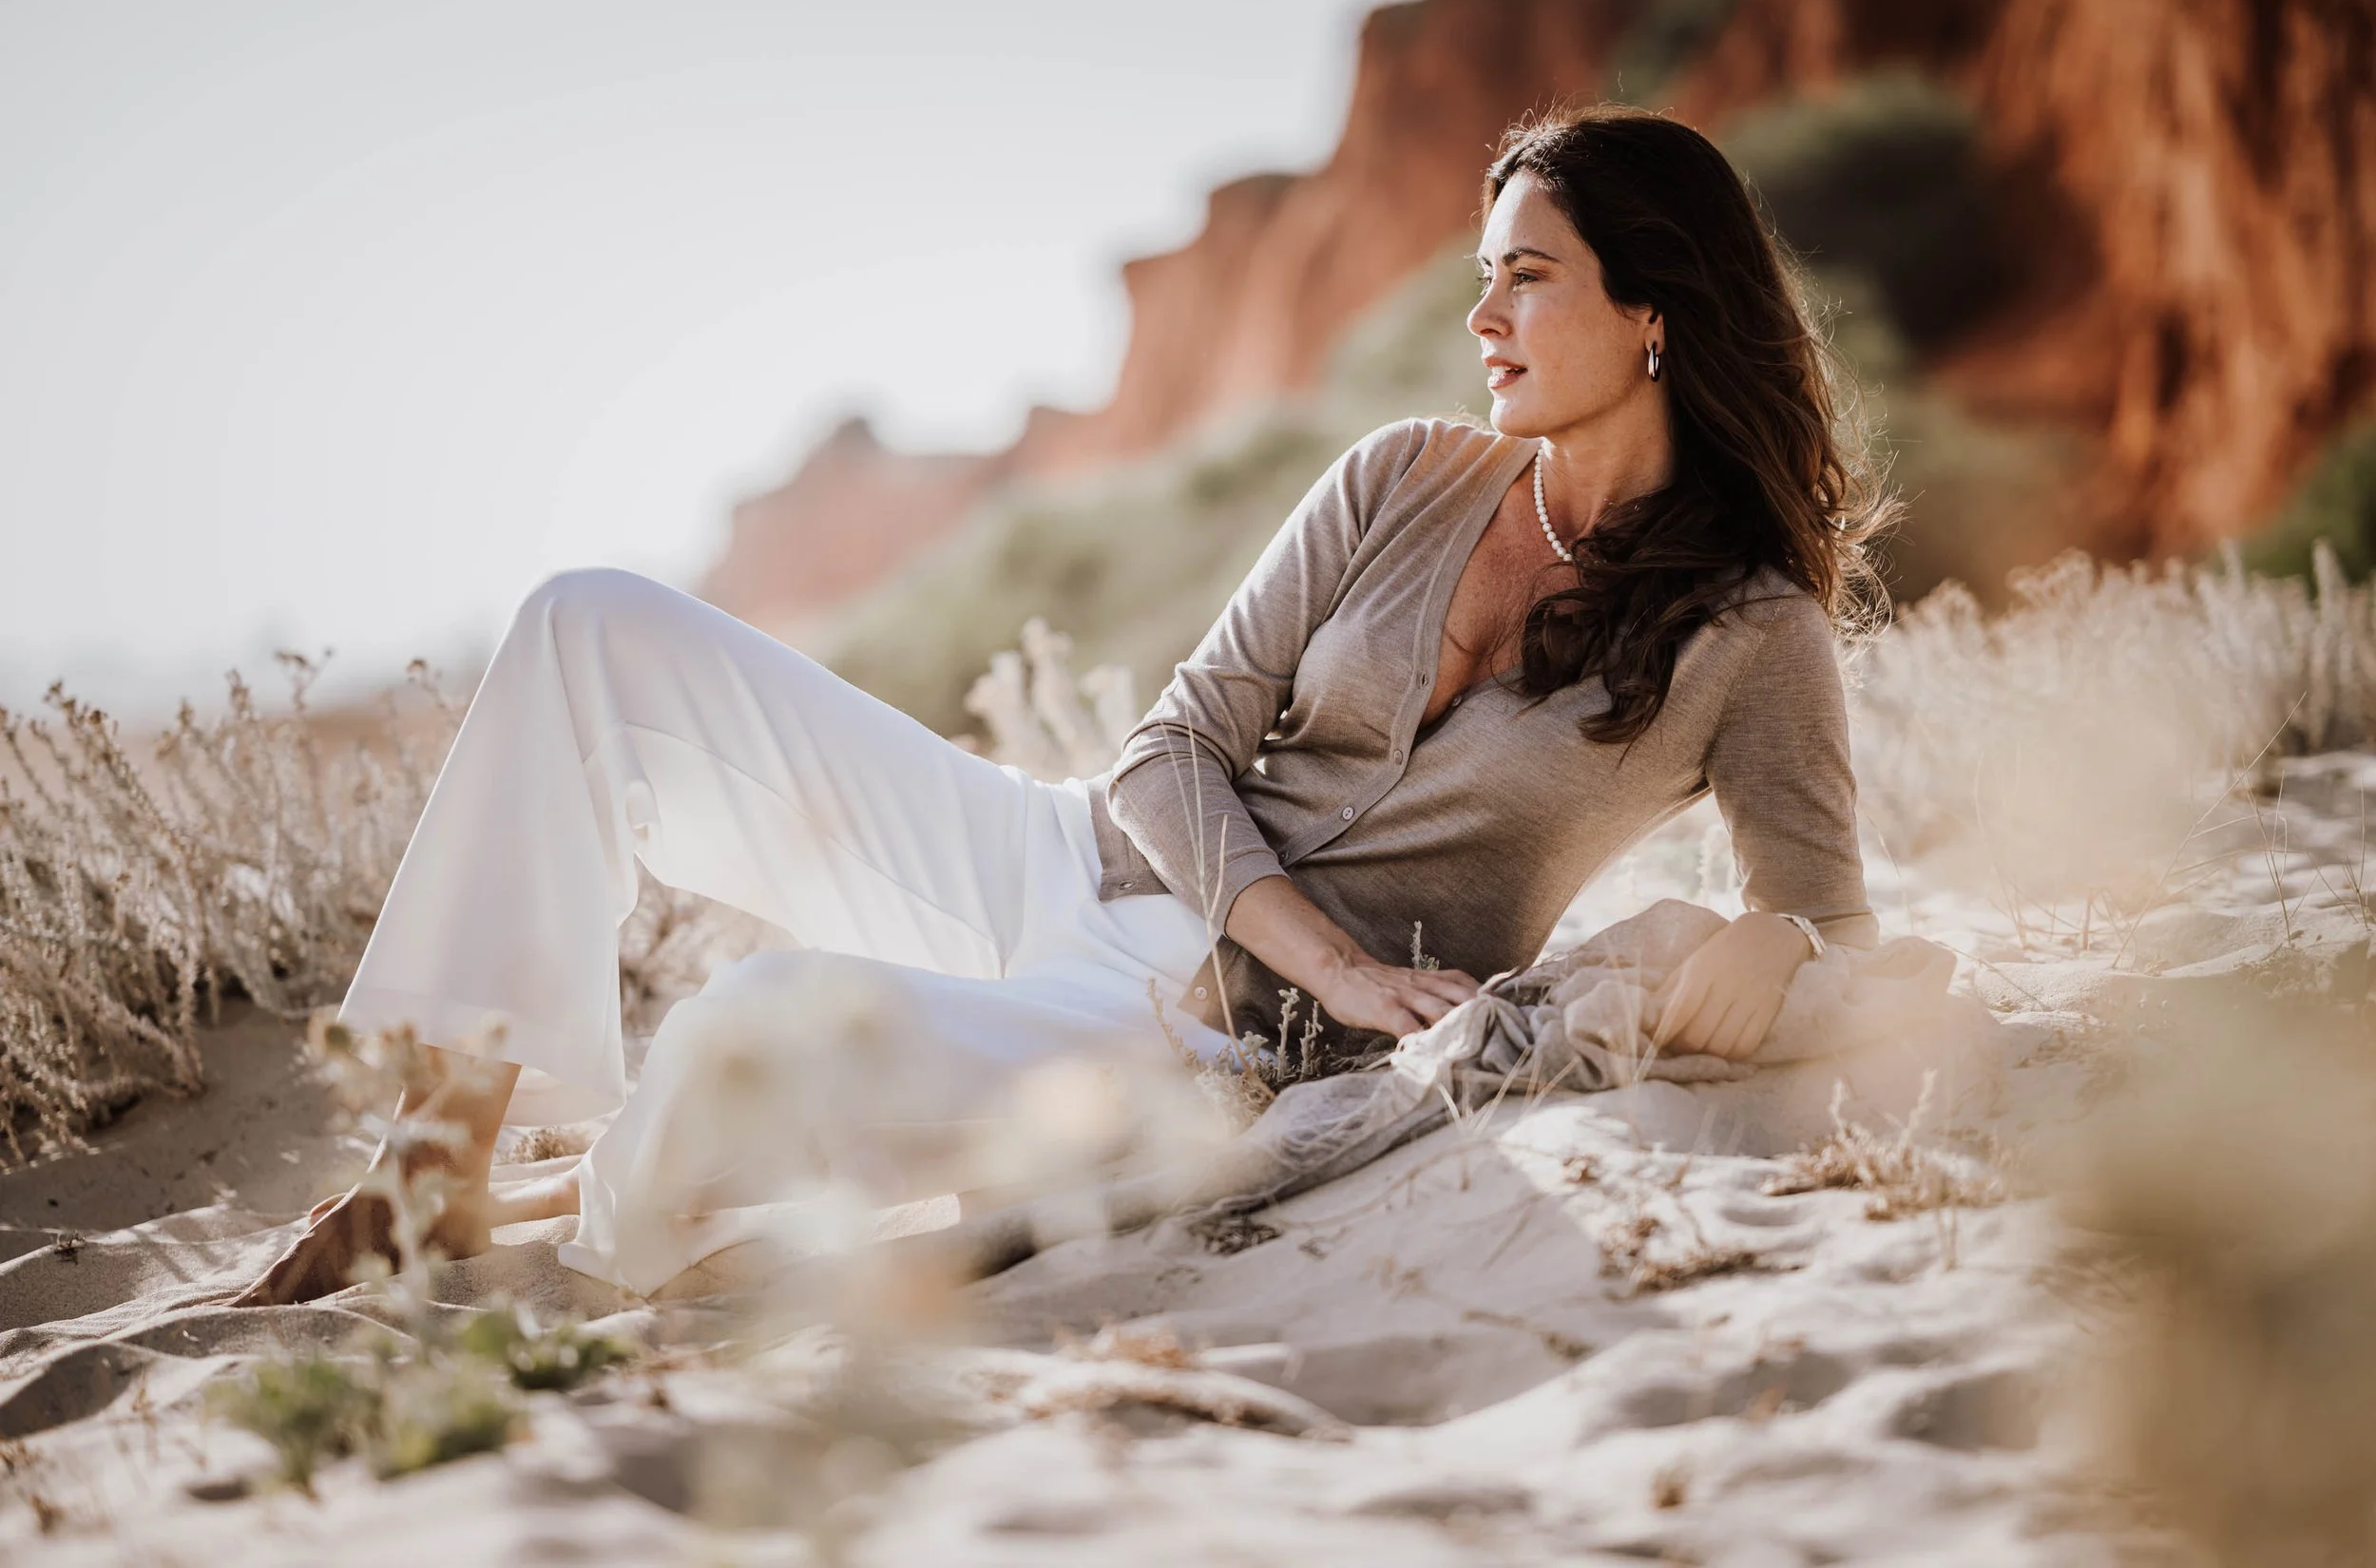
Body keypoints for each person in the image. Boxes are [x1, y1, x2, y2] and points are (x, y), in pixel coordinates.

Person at [232, 102, 1894, 1308]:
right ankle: (436, 1164)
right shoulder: (1404, 475)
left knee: (740, 1034)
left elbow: (1830, 924)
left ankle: (596, 1235)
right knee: (590, 627)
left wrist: (1785, 943)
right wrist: (1346, 959)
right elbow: (1171, 746)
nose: (1478, 318)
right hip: (1065, 864)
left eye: (1524, 278)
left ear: (1651, 311)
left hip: (1194, 1043)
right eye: (1480, 274)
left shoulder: (1752, 634)